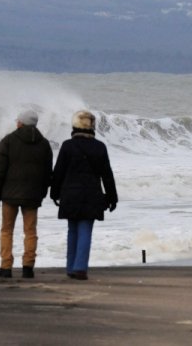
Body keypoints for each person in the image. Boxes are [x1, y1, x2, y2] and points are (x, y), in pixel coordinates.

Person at [50, 110, 118, 280]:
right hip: (92, 194)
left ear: (75, 125)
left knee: (72, 229)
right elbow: (107, 175)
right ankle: (80, 268)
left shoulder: (67, 146)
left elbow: (58, 172)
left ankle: (71, 267)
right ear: (92, 126)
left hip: (70, 194)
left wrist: (54, 193)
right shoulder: (100, 147)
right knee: (85, 229)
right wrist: (112, 197)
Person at [0, 110, 53, 279]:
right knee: (30, 231)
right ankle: (28, 266)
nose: (16, 122)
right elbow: (48, 172)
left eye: (18, 120)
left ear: (21, 123)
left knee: (6, 230)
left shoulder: (8, 141)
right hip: (33, 195)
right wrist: (43, 191)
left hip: (9, 194)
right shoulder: (44, 144)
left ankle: (5, 267)